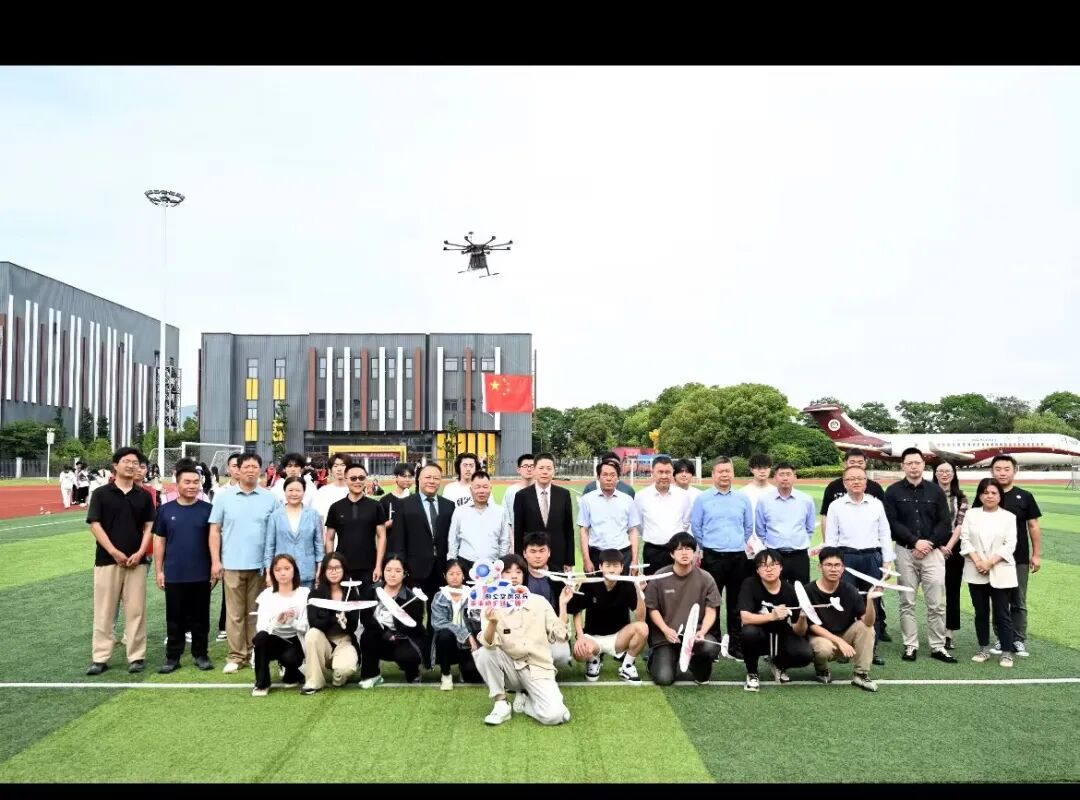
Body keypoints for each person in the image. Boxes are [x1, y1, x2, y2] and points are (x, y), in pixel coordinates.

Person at [474, 554, 574, 726]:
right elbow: (488, 642)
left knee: (554, 716)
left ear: (524, 576)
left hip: (538, 667)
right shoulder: (491, 604)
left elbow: (560, 634)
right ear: (499, 576)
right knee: (484, 653)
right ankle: (501, 703)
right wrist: (493, 622)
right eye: (507, 572)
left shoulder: (539, 602)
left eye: (518, 572)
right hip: (510, 667)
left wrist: (563, 604)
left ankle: (528, 703)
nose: (513, 576)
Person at [84, 447, 157, 676]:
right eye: (126, 461)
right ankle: (100, 657)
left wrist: (141, 552)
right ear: (115, 465)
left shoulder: (144, 495)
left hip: (137, 563)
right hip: (107, 561)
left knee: (136, 611)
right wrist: (114, 551)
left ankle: (136, 656)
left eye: (135, 462)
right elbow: (95, 524)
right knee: (104, 611)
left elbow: (149, 526)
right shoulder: (101, 494)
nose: (131, 465)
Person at [209, 452, 281, 674]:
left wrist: (273, 565)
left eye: (254, 467)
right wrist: (215, 561)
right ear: (237, 470)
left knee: (255, 612)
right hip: (232, 564)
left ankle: (255, 652)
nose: (250, 470)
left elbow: (277, 531)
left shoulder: (270, 498)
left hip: (261, 566)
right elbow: (214, 530)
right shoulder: (223, 497)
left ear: (260, 470)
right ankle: (236, 655)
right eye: (246, 466)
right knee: (234, 613)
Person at [883, 447, 955, 663]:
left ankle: (938, 646)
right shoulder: (893, 492)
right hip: (905, 551)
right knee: (907, 601)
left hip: (932, 553)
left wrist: (928, 543)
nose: (913, 467)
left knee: (936, 603)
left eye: (917, 463)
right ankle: (910, 645)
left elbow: (944, 523)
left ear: (923, 465)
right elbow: (891, 522)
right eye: (909, 463)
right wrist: (915, 542)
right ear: (903, 466)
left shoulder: (935, 491)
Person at [824, 464, 894, 666]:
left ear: (866, 482)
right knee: (844, 603)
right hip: (846, 558)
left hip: (872, 558)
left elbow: (885, 533)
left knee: (873, 603)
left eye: (860, 478)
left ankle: (872, 648)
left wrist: (887, 561)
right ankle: (845, 648)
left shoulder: (876, 504)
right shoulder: (836, 506)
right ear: (844, 483)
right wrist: (832, 564)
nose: (856, 482)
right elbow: (831, 538)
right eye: (851, 479)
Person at [153, 459, 215, 674]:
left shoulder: (208, 510)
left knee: (201, 617)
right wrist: (159, 571)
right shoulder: (165, 510)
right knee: (174, 618)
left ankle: (201, 654)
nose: (192, 486)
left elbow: (214, 541)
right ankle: (173, 657)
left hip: (201, 573)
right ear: (177, 484)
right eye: (187, 482)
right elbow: (159, 542)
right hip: (174, 573)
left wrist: (215, 567)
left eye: (196, 482)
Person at [690, 456, 754, 658]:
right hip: (712, 557)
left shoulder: (742, 498)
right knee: (712, 602)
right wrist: (708, 546)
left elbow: (748, 527)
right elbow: (696, 527)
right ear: (713, 474)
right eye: (720, 471)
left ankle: (736, 644)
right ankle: (714, 643)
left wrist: (735, 543)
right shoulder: (703, 498)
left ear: (733, 473)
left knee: (736, 603)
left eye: (728, 471)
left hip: (738, 558)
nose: (724, 475)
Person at [980, 455, 1042, 658]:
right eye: (998, 469)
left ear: (1014, 471)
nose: (1002, 473)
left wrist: (1036, 554)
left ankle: (1018, 639)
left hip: (1018, 558)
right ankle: (1002, 638)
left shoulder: (1024, 496)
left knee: (1018, 601)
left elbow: (1033, 526)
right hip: (991, 560)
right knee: (998, 601)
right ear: (992, 471)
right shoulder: (986, 494)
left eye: (1006, 469)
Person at [644, 532, 723, 685]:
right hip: (666, 636)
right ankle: (657, 658)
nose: (684, 553)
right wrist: (666, 630)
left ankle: (695, 663)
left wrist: (702, 632)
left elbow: (711, 610)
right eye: (679, 549)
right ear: (672, 554)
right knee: (664, 678)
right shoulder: (659, 577)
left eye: (688, 549)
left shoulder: (706, 578)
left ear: (694, 553)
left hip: (694, 636)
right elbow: (652, 609)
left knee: (710, 647)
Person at [737, 548, 812, 691]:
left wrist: (803, 618)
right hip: (758, 632)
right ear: (757, 570)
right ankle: (752, 672)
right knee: (748, 633)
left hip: (781, 633)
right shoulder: (750, 584)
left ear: (781, 567)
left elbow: (799, 631)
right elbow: (745, 618)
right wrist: (772, 616)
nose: (769, 569)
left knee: (805, 654)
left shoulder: (789, 589)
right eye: (763, 565)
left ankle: (779, 663)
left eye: (773, 564)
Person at [568, 548, 648, 683]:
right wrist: (580, 637)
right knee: (578, 653)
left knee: (643, 628)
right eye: (608, 565)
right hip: (593, 638)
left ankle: (627, 665)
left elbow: (641, 619)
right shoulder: (590, 584)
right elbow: (577, 611)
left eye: (616, 566)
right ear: (600, 567)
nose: (611, 570)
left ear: (622, 567)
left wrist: (639, 591)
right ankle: (593, 659)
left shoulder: (628, 586)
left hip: (618, 639)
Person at [805, 547, 879, 691]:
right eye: (829, 565)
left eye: (837, 565)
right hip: (819, 638)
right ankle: (821, 668)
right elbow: (812, 625)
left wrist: (870, 601)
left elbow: (869, 622)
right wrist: (839, 641)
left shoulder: (850, 590)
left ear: (843, 568)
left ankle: (860, 674)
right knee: (823, 648)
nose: (833, 569)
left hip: (844, 636)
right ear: (819, 567)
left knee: (866, 627)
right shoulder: (808, 590)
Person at [962, 478, 1018, 667]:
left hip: (1000, 571)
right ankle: (983, 649)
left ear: (1000, 496)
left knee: (1002, 613)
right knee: (981, 612)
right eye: (986, 493)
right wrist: (978, 561)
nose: (990, 496)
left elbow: (1009, 544)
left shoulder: (1008, 517)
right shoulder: (971, 514)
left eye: (994, 493)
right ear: (980, 495)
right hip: (976, 570)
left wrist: (989, 562)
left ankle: (1006, 652)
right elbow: (965, 540)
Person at [391, 463, 454, 618]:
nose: (432, 481)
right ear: (419, 479)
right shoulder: (405, 505)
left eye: (436, 478)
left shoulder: (449, 506)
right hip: (414, 569)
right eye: (428, 477)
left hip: (441, 569)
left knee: (439, 612)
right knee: (414, 612)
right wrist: (401, 566)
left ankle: (435, 634)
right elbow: (398, 538)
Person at [357, 555, 426, 687]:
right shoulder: (372, 591)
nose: (392, 574)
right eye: (388, 570)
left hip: (404, 639)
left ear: (404, 574)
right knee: (367, 636)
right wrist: (385, 632)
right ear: (382, 571)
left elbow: (415, 625)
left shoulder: (412, 597)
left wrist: (397, 628)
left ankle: (413, 672)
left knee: (406, 655)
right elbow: (366, 618)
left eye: (397, 571)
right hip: (380, 636)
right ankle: (371, 675)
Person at [302, 552, 361, 694]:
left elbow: (353, 627)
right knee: (312, 634)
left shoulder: (351, 593)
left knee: (343, 671)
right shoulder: (315, 594)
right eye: (329, 568)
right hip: (323, 640)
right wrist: (334, 618)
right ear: (324, 571)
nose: (334, 572)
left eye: (337, 567)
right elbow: (314, 622)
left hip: (344, 641)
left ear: (344, 569)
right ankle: (314, 682)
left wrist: (346, 621)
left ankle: (339, 676)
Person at [251, 554, 309, 696]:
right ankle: (261, 683)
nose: (282, 573)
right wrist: (277, 621)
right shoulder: (266, 595)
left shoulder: (304, 593)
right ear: (272, 573)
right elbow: (261, 628)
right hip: (274, 638)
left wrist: (291, 621)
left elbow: (306, 627)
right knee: (260, 637)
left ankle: (290, 670)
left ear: (294, 570)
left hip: (296, 640)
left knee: (291, 678)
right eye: (278, 570)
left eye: (287, 568)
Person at [324, 462, 388, 587]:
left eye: (361, 478)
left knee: (367, 599)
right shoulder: (336, 507)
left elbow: (382, 537)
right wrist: (331, 563)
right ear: (346, 479)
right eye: (353, 478)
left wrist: (378, 566)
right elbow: (329, 538)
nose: (357, 481)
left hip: (369, 566)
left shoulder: (375, 506)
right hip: (342, 566)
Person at [754, 463, 815, 585]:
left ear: (794, 477)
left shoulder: (806, 500)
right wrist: (770, 544)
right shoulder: (764, 501)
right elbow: (760, 529)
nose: (785, 478)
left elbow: (809, 528)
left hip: (799, 555)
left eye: (788, 474)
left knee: (801, 590)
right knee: (774, 589)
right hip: (774, 555)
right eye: (781, 474)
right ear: (775, 477)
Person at [578, 460, 642, 574]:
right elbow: (584, 531)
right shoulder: (587, 500)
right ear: (598, 477)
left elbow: (633, 531)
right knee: (597, 585)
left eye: (613, 475)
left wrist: (634, 560)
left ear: (618, 477)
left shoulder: (627, 500)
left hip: (623, 554)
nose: (609, 478)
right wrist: (586, 560)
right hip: (597, 554)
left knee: (623, 585)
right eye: (605, 475)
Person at [513, 453, 574, 572]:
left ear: (554, 471)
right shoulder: (522, 496)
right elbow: (518, 531)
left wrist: (569, 560)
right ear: (534, 470)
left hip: (558, 556)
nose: (545, 472)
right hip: (532, 557)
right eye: (541, 468)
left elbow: (568, 530)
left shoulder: (563, 494)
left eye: (548, 468)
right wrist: (520, 561)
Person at [521, 532, 572, 667]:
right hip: (524, 630)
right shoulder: (519, 576)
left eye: (542, 551)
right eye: (533, 551)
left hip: (551, 630)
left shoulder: (559, 577)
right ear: (524, 553)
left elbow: (574, 610)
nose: (538, 556)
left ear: (549, 552)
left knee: (561, 654)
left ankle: (545, 667)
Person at [430, 559, 483, 690]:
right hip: (450, 642)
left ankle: (464, 668)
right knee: (444, 634)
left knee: (473, 677)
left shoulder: (473, 594)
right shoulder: (439, 596)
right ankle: (446, 674)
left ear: (464, 576)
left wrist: (471, 636)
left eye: (458, 573)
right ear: (445, 576)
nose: (454, 577)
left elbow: (478, 620)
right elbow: (439, 623)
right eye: (451, 573)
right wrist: (465, 635)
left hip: (470, 644)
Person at [634, 455, 691, 576]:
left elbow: (685, 522)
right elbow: (639, 524)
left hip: (676, 551)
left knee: (678, 584)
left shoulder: (683, 495)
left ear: (672, 473)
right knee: (653, 584)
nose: (664, 476)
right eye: (660, 472)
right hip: (653, 551)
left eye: (667, 472)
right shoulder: (641, 496)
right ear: (652, 472)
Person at [265, 476, 324, 590]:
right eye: (290, 490)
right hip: (282, 572)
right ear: (284, 491)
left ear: (304, 492)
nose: (294, 494)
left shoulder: (313, 515)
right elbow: (269, 547)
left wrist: (319, 569)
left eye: (298, 490)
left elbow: (319, 545)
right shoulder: (275, 516)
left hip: (306, 571)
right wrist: (268, 572)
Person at [934, 462, 969, 651]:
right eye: (940, 471)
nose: (944, 474)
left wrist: (948, 546)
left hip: (954, 546)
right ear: (935, 474)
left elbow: (961, 524)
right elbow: (927, 522)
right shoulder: (928, 493)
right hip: (933, 545)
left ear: (954, 474)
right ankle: (936, 631)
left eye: (948, 471)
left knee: (953, 591)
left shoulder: (961, 497)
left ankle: (949, 633)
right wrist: (938, 545)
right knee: (935, 591)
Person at [447, 470, 509, 577]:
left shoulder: (500, 512)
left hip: (492, 566)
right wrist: (452, 562)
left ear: (490, 488)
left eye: (485, 487)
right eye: (477, 487)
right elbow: (453, 539)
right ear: (471, 490)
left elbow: (504, 540)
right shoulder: (460, 511)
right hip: (465, 564)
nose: (481, 491)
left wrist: (501, 563)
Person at [211, 452, 243, 642]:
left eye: (240, 465)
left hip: (249, 547)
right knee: (228, 587)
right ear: (228, 469)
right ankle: (224, 625)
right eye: (234, 465)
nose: (238, 469)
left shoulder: (259, 491)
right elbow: (215, 525)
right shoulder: (221, 493)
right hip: (227, 546)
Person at [501, 453, 535, 545]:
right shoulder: (511, 491)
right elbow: (506, 520)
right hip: (516, 540)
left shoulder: (542, 491)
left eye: (532, 466)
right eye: (525, 466)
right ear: (518, 470)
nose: (529, 469)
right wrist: (513, 542)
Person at [313, 454, 350, 525]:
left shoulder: (354, 491)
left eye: (343, 465)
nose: (339, 469)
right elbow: (317, 517)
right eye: (335, 466)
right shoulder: (322, 492)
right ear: (330, 470)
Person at [379, 462, 414, 535]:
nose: (407, 479)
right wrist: (394, 522)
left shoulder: (415, 500)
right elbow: (378, 528)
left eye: (410, 476)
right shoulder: (384, 501)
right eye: (404, 476)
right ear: (396, 477)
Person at [739, 454, 774, 520]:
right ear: (751, 470)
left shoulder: (776, 492)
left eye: (765, 468)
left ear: (770, 469)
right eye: (759, 468)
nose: (762, 471)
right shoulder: (742, 493)